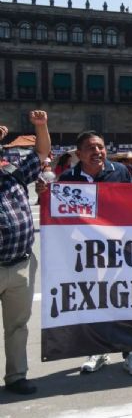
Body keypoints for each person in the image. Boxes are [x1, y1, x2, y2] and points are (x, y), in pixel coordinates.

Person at [57, 132, 132, 375]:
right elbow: (59, 215)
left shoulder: (120, 171)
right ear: (78, 154)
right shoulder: (67, 178)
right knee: (93, 300)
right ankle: (97, 349)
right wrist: (45, 192)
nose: (96, 151)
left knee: (125, 298)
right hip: (86, 252)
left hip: (119, 248)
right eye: (90, 148)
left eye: (100, 147)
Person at [0, 110, 49, 395]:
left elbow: (41, 154)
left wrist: (41, 126)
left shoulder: (12, 174)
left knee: (18, 325)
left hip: (20, 264)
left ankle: (17, 375)